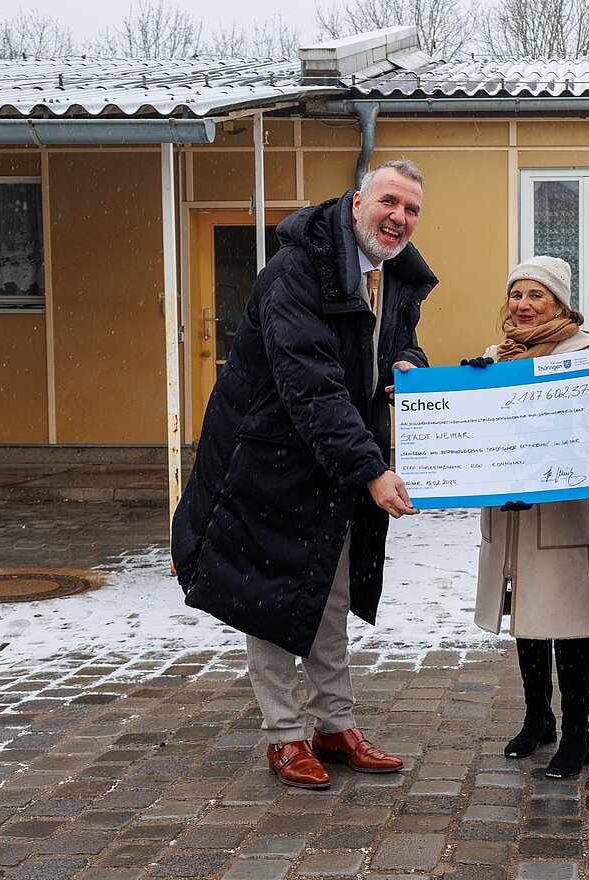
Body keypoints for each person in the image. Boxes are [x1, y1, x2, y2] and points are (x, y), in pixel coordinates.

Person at [170, 159, 436, 790]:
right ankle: (285, 734)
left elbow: (395, 344)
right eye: (389, 203)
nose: (399, 219)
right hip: (269, 459)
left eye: (412, 210)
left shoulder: (391, 274)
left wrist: (407, 362)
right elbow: (310, 384)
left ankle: (334, 724)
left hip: (334, 459)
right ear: (356, 203)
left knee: (331, 592)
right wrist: (372, 469)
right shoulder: (298, 271)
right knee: (270, 594)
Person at [469, 256, 589, 779]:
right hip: (510, 512)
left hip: (561, 512)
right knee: (525, 611)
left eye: (536, 296)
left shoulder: (586, 351)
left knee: (567, 620)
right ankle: (538, 719)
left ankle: (578, 734)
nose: (522, 306)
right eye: (516, 295)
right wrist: (468, 387)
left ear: (560, 303)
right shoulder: (494, 355)